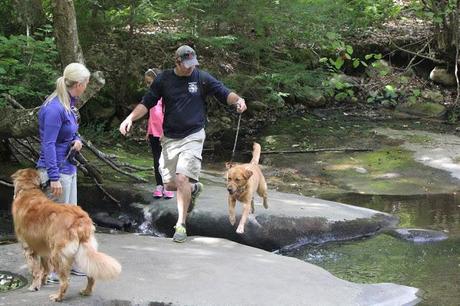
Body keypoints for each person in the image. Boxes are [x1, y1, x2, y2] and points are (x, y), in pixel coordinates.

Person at [119, 45, 247, 243]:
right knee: (170, 184)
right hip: (170, 137)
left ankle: (181, 224)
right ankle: (194, 189)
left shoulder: (201, 77)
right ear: (177, 62)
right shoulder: (163, 79)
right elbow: (147, 102)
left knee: (181, 178)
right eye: (186, 65)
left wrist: (238, 100)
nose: (190, 69)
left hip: (194, 135)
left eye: (193, 64)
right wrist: (130, 118)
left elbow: (223, 92)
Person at [36, 62, 90, 280]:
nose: (87, 86)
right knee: (55, 225)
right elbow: (47, 144)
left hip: (69, 167)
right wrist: (54, 177)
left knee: (70, 222)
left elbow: (71, 132)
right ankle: (47, 271)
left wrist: (77, 140)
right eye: (86, 83)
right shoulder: (54, 108)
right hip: (56, 171)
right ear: (78, 84)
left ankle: (68, 263)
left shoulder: (70, 104)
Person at [144, 68, 174, 199]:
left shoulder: (165, 97)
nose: (148, 85)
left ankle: (168, 185)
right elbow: (151, 115)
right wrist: (148, 131)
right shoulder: (151, 97)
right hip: (153, 133)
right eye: (147, 83)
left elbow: (169, 116)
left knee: (166, 160)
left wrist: (166, 132)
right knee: (156, 160)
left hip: (165, 133)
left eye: (150, 82)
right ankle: (159, 185)